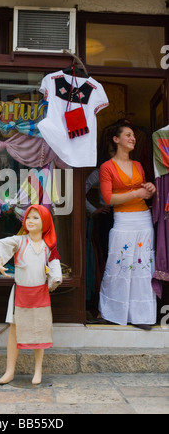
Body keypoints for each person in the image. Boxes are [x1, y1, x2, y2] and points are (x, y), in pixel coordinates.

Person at [0, 204, 62, 385]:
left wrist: (55, 279)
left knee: (40, 332)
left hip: (40, 294)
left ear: (45, 222)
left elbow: (54, 266)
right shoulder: (19, 241)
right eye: (28, 217)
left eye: (36, 218)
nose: (30, 221)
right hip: (20, 293)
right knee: (15, 330)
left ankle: (38, 370)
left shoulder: (48, 247)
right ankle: (10, 370)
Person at [99, 122, 157, 330]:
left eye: (133, 135)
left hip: (144, 219)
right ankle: (112, 311)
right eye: (128, 135)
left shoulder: (138, 165)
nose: (133, 138)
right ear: (116, 139)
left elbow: (144, 191)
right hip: (123, 220)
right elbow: (107, 198)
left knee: (142, 267)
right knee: (120, 265)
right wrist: (135, 194)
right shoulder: (107, 167)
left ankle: (141, 316)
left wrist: (149, 188)